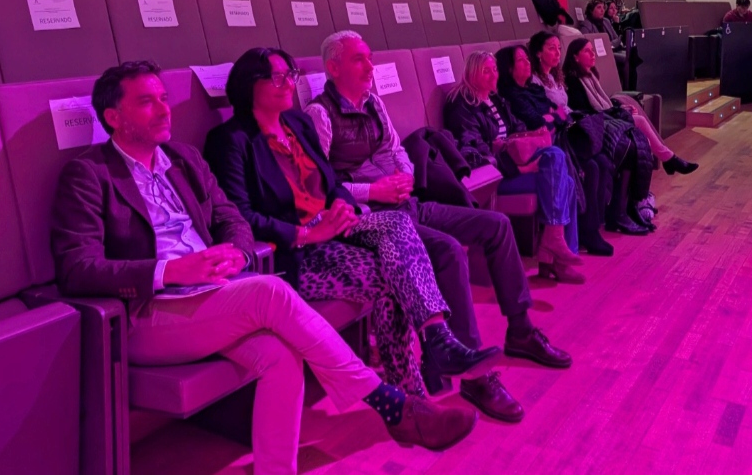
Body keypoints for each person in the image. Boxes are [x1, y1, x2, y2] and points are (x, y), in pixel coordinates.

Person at [52, 62, 478, 472]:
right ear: (113, 117)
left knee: (280, 356)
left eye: (164, 98)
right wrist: (172, 271)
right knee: (270, 289)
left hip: (212, 295)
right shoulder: (89, 174)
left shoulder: (182, 159)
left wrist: (238, 254)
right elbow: (77, 267)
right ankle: (391, 403)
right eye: (146, 102)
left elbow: (231, 218)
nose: (164, 109)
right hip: (148, 314)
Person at [204, 47, 496, 402]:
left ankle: (435, 342)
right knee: (390, 278)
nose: (288, 84)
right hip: (295, 251)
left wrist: (343, 203)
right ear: (249, 85)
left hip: (335, 228)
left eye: (290, 76)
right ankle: (414, 393)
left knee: (396, 224)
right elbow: (241, 217)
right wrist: (308, 233)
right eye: (277, 77)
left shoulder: (297, 124)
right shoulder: (230, 141)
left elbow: (331, 182)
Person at [306, 32, 571, 417]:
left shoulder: (374, 103)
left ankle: (520, 329)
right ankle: (474, 377)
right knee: (448, 252)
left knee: (496, 225)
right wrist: (374, 190)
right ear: (333, 67)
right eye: (359, 59)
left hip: (407, 202)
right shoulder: (319, 115)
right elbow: (321, 185)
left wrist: (406, 175)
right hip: (374, 219)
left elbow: (396, 149)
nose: (370, 66)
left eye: (370, 57)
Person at [445, 51, 589, 274]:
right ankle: (554, 253)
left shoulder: (495, 99)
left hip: (514, 163)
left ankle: (558, 255)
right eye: (486, 71)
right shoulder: (462, 105)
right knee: (559, 166)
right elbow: (472, 153)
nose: (493, 75)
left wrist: (531, 136)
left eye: (494, 69)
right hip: (496, 176)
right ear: (471, 73)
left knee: (564, 177)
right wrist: (520, 168)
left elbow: (517, 129)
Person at [496, 40, 651, 241]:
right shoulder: (514, 95)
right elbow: (538, 121)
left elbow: (559, 112)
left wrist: (552, 116)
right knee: (596, 163)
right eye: (521, 60)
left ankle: (610, 218)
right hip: (553, 141)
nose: (527, 63)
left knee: (605, 160)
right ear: (509, 68)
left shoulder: (535, 89)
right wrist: (553, 116)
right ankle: (590, 230)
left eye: (527, 59)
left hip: (566, 132)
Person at [563, 37, 698, 176]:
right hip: (593, 124)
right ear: (575, 57)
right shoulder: (572, 80)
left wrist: (620, 108)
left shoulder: (590, 76)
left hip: (604, 116)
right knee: (639, 120)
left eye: (592, 50)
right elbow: (587, 111)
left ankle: (667, 159)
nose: (593, 54)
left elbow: (602, 104)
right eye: (587, 51)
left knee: (631, 109)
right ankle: (669, 159)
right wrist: (617, 111)